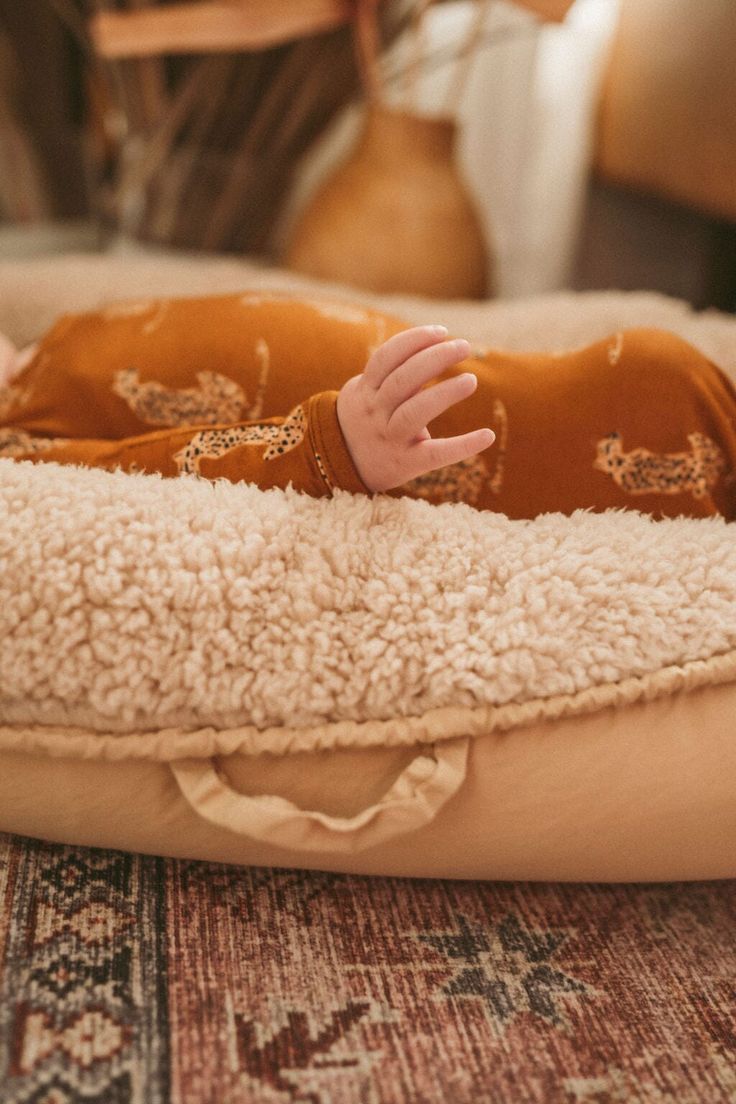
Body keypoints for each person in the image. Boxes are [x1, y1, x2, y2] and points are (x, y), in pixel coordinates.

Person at [1, 290, 734, 521]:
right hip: (585, 436)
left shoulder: (59, 336)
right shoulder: (22, 441)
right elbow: (149, 471)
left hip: (569, 382)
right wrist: (329, 445)